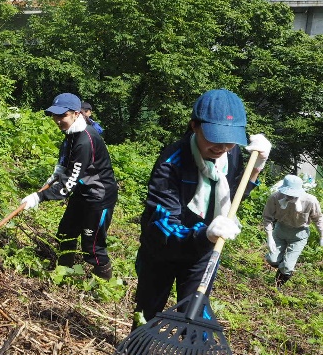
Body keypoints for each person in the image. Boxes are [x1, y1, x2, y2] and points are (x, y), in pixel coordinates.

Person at [132, 89, 271, 325]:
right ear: (194, 126)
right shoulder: (172, 162)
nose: (222, 147)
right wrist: (203, 232)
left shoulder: (231, 154)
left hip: (203, 250)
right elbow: (162, 221)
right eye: (214, 137)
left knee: (194, 316)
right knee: (147, 310)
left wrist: (256, 167)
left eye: (229, 140)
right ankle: (136, 354)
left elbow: (233, 197)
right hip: (162, 250)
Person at [21, 93, 119, 280]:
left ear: (75, 113)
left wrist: (38, 197)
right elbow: (67, 162)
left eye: (62, 115)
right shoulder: (71, 132)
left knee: (92, 247)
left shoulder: (85, 140)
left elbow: (68, 186)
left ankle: (104, 288)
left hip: (98, 196)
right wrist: (57, 173)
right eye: (55, 116)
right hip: (83, 191)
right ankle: (62, 275)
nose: (58, 120)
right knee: (66, 233)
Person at [263, 174, 323, 287]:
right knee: (272, 259)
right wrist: (269, 237)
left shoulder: (310, 201)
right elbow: (267, 218)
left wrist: (322, 235)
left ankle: (276, 287)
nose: (290, 197)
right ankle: (282, 266)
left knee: (287, 267)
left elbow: (318, 219)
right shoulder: (275, 198)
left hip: (299, 235)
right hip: (280, 230)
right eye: (288, 194)